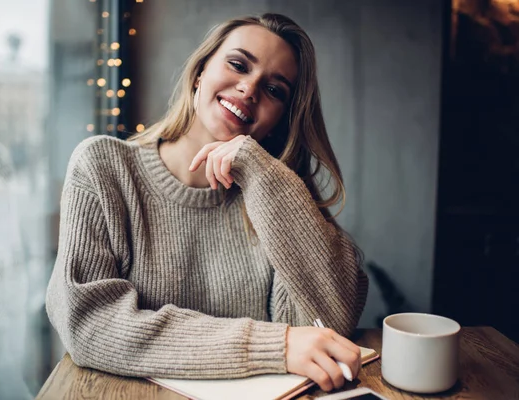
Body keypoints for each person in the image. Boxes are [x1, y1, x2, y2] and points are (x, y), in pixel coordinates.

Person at [46, 13, 368, 392]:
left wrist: (261, 171)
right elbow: (88, 323)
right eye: (237, 65)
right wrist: (272, 346)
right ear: (200, 72)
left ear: (280, 120)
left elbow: (328, 321)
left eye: (275, 90)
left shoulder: (275, 197)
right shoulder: (104, 167)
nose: (249, 89)